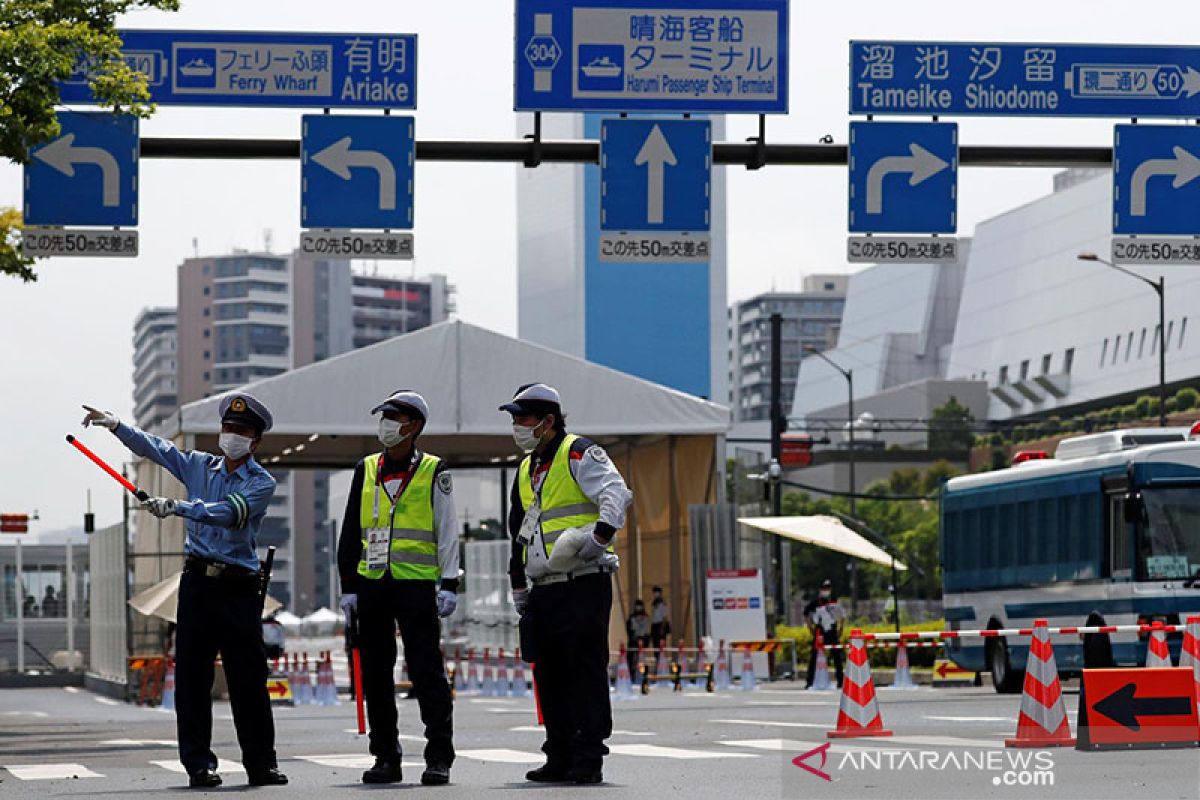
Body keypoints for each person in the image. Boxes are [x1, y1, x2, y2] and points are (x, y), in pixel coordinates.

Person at [82, 395, 286, 788]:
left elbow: (231, 512)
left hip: (238, 588)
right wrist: (117, 426)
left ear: (255, 440)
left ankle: (261, 764)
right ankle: (198, 765)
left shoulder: (262, 482)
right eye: (228, 428)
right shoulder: (199, 466)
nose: (232, 436)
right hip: (197, 585)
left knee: (248, 679)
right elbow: (157, 449)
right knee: (192, 678)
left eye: (242, 431)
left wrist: (178, 507)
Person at [502, 383, 632, 785]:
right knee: (550, 673)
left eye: (523, 418)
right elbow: (518, 531)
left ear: (548, 421)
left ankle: (588, 756)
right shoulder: (526, 467)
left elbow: (616, 493)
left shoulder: (579, 451)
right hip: (545, 587)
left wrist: (599, 538)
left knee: (584, 670)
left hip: (583, 582)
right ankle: (557, 753)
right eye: (514, 419)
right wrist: (518, 581)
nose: (517, 426)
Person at [336, 390, 459, 787]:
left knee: (426, 672)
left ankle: (438, 756)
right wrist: (348, 585)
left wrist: (450, 581)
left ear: (414, 426)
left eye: (394, 417)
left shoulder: (434, 469)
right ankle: (385, 757)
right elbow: (351, 528)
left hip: (416, 584)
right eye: (384, 416)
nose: (386, 423)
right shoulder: (366, 467)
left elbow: (447, 529)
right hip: (372, 585)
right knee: (375, 674)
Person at [804, 578, 846, 689]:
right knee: (814, 656)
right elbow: (806, 613)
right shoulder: (816, 602)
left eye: (827, 588)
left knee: (836, 655)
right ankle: (810, 681)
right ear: (820, 589)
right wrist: (810, 627)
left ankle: (840, 680)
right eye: (824, 588)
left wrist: (841, 628)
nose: (826, 590)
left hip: (831, 630)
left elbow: (842, 614)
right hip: (820, 631)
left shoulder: (834, 600)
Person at [625, 599, 651, 675]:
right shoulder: (632, 617)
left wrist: (646, 641)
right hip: (633, 640)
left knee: (642, 659)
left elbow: (647, 630)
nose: (638, 607)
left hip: (643, 639)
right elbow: (629, 629)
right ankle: (631, 673)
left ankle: (642, 674)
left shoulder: (646, 617)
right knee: (631, 658)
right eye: (637, 606)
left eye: (640, 606)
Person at [649, 585, 671, 651]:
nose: (655, 594)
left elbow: (664, 616)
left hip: (660, 625)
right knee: (655, 643)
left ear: (660, 593)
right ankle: (657, 658)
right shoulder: (653, 603)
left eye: (657, 592)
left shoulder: (662, 603)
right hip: (654, 625)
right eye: (654, 592)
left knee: (661, 644)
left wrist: (662, 627)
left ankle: (661, 659)